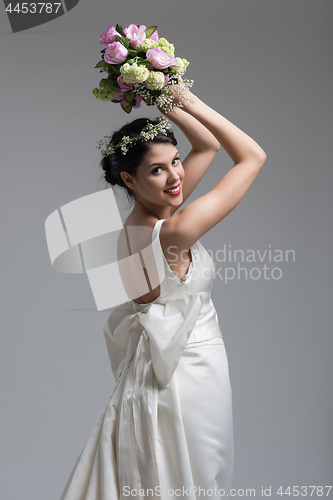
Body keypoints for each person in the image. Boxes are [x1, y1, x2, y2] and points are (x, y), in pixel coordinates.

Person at [59, 85, 266, 500]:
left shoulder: (132, 229)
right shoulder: (174, 231)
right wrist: (184, 97)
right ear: (129, 179)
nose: (176, 176)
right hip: (188, 377)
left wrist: (161, 95)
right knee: (196, 485)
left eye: (175, 161)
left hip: (153, 376)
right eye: (158, 169)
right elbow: (253, 157)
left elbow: (204, 146)